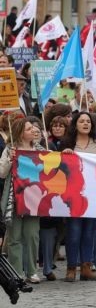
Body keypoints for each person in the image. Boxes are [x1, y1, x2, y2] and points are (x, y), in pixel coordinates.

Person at [60, 112, 96, 282]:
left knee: (89, 232)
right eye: (82, 121)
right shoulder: (67, 143)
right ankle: (71, 267)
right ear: (76, 124)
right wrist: (64, 154)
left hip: (93, 194)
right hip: (74, 193)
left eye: (88, 121)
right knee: (74, 232)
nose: (86, 124)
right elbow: (60, 166)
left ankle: (86, 267)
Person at [0, 119, 45, 283]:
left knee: (32, 235)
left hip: (34, 198)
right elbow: (2, 173)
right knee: (15, 237)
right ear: (20, 133)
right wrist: (9, 160)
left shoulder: (40, 149)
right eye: (29, 128)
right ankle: (16, 272)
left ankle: (32, 271)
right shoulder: (10, 149)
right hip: (15, 198)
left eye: (33, 127)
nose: (33, 130)